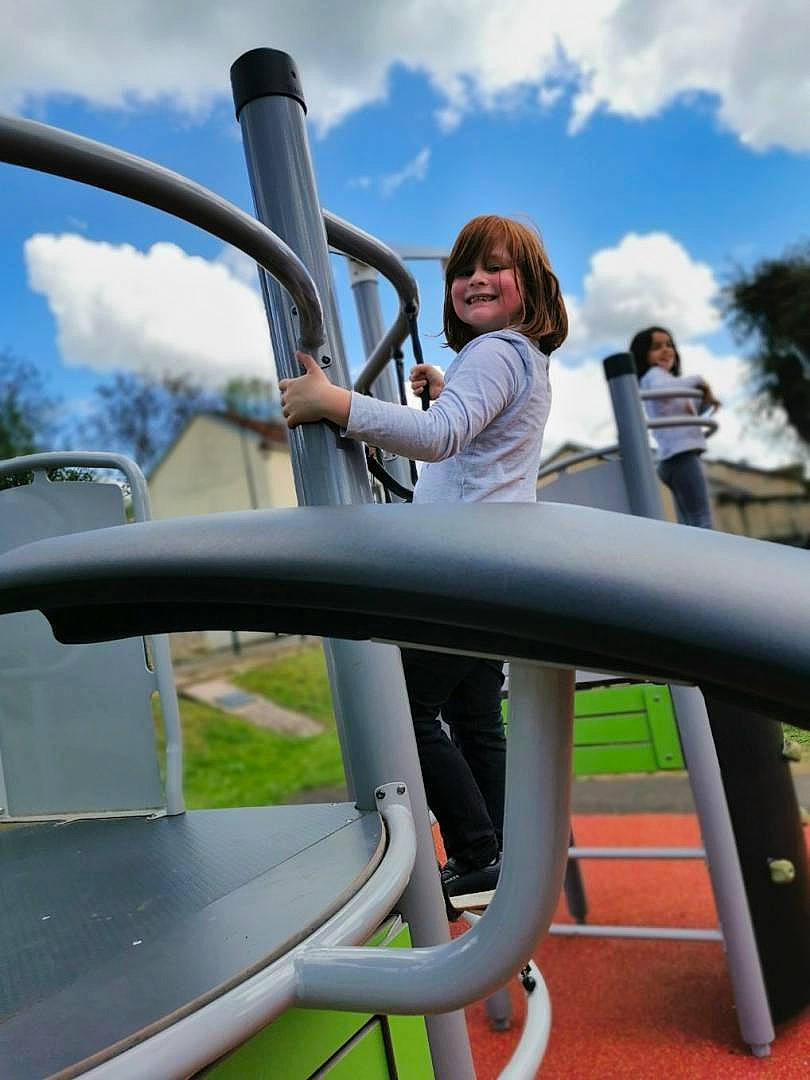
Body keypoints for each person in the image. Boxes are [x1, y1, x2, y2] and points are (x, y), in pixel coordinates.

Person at [279, 214, 567, 910]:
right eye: (464, 271)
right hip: (497, 571)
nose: (474, 280)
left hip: (461, 569)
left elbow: (440, 438)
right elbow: (472, 436)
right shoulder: (521, 358)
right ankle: (505, 847)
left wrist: (335, 403)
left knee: (406, 705)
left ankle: (477, 851)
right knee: (475, 720)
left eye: (494, 267)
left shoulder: (496, 352)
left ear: (530, 287)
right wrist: (448, 383)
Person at [630, 326, 720, 529]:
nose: (666, 350)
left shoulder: (672, 381)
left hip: (674, 457)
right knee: (701, 518)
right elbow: (664, 390)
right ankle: (705, 558)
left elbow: (690, 412)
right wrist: (698, 381)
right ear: (644, 355)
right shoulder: (653, 376)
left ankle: (690, 558)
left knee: (688, 521)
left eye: (669, 345)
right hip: (682, 455)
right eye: (656, 347)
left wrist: (704, 401)